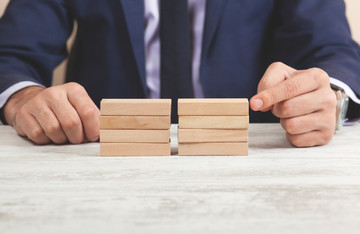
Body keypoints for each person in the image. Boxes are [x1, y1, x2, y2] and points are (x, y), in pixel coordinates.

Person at [0, 0, 359, 147]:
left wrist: (331, 97)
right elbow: (11, 52)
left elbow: (332, 49)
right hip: (99, 153)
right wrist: (22, 98)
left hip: (250, 157)